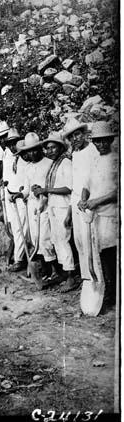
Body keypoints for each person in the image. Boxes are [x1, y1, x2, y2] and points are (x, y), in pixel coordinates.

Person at [78, 121, 118, 307]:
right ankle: (107, 289)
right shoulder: (94, 161)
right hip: (96, 217)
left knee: (112, 254)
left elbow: (117, 192)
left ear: (110, 140)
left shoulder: (116, 160)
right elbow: (86, 185)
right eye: (97, 141)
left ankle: (115, 291)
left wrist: (97, 201)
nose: (101, 144)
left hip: (111, 215)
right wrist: (83, 198)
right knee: (100, 254)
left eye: (104, 141)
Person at [34, 132, 76, 291]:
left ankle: (71, 276)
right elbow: (53, 187)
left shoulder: (65, 162)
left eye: (53, 147)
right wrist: (42, 190)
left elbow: (68, 187)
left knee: (63, 240)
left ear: (60, 147)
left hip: (63, 207)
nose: (50, 151)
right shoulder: (54, 164)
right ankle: (64, 273)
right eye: (48, 148)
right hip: (53, 205)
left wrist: (47, 189)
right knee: (56, 239)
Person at [14, 133, 56, 279]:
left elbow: (51, 186)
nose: (32, 153)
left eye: (35, 149)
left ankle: (55, 270)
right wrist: (20, 195)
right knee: (35, 238)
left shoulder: (49, 163)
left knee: (46, 238)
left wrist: (43, 196)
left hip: (46, 204)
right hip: (32, 205)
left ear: (40, 148)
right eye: (29, 151)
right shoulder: (28, 168)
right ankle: (44, 270)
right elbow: (26, 189)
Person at [62, 118, 99, 281]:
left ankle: (98, 278)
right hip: (76, 202)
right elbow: (74, 185)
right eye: (71, 137)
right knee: (79, 242)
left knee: (90, 241)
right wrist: (69, 212)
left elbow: (96, 180)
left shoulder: (93, 151)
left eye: (77, 135)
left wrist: (87, 200)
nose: (74, 139)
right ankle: (86, 280)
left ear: (84, 134)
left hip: (89, 202)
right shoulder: (75, 154)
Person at [1, 128, 28, 272]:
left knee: (22, 228)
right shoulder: (7, 156)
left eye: (15, 143)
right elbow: (7, 175)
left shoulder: (25, 156)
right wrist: (2, 183)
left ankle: (20, 259)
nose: (12, 146)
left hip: (22, 196)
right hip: (9, 195)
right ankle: (19, 256)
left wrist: (22, 192)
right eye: (10, 143)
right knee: (14, 227)